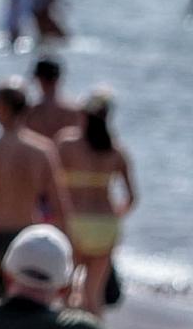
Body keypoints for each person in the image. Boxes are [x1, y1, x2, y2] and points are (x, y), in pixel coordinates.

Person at [0, 80, 70, 300]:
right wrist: (67, 253)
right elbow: (59, 205)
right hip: (27, 238)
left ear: (2, 108)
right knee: (27, 308)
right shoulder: (42, 150)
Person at [55, 93, 136, 315]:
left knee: (66, 291)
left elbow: (49, 186)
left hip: (75, 223)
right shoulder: (117, 151)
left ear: (83, 115)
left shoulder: (67, 143)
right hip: (106, 224)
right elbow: (131, 197)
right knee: (94, 295)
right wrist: (116, 215)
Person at [21, 56, 84, 143]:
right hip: (67, 156)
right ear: (58, 78)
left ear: (38, 79)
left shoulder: (29, 112)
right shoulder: (76, 111)